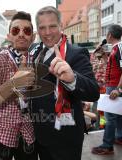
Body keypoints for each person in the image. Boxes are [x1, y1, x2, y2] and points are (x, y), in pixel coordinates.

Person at [30, 6, 100, 160]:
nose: (47, 32)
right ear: (38, 30)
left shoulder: (76, 53)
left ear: (61, 26)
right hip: (41, 134)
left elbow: (94, 92)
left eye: (52, 26)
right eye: (42, 28)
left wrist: (73, 78)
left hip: (65, 137)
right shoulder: (34, 51)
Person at [0, 11, 37, 160]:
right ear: (9, 36)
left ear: (33, 36)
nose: (21, 34)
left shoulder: (38, 59)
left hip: (28, 134)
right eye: (16, 30)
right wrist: (14, 83)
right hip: (0, 136)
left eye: (27, 30)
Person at [92, 24, 122, 155]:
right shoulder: (115, 49)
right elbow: (111, 65)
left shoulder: (120, 48)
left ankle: (107, 145)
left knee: (110, 117)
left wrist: (119, 89)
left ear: (110, 35)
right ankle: (120, 137)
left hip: (115, 86)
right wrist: (103, 55)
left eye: (107, 34)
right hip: (112, 85)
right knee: (118, 114)